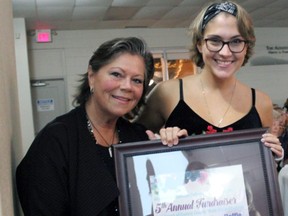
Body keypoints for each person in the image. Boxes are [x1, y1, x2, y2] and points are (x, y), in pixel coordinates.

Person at [16, 37, 158, 216]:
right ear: (91, 76)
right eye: (116, 74)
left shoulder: (138, 137)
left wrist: (171, 151)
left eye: (137, 80)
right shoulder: (56, 140)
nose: (127, 86)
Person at [136, 1, 283, 159]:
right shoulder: (167, 93)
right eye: (215, 41)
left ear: (246, 46)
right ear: (199, 44)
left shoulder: (261, 103)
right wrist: (159, 142)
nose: (225, 52)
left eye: (236, 41)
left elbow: (260, 163)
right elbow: (130, 141)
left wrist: (273, 155)